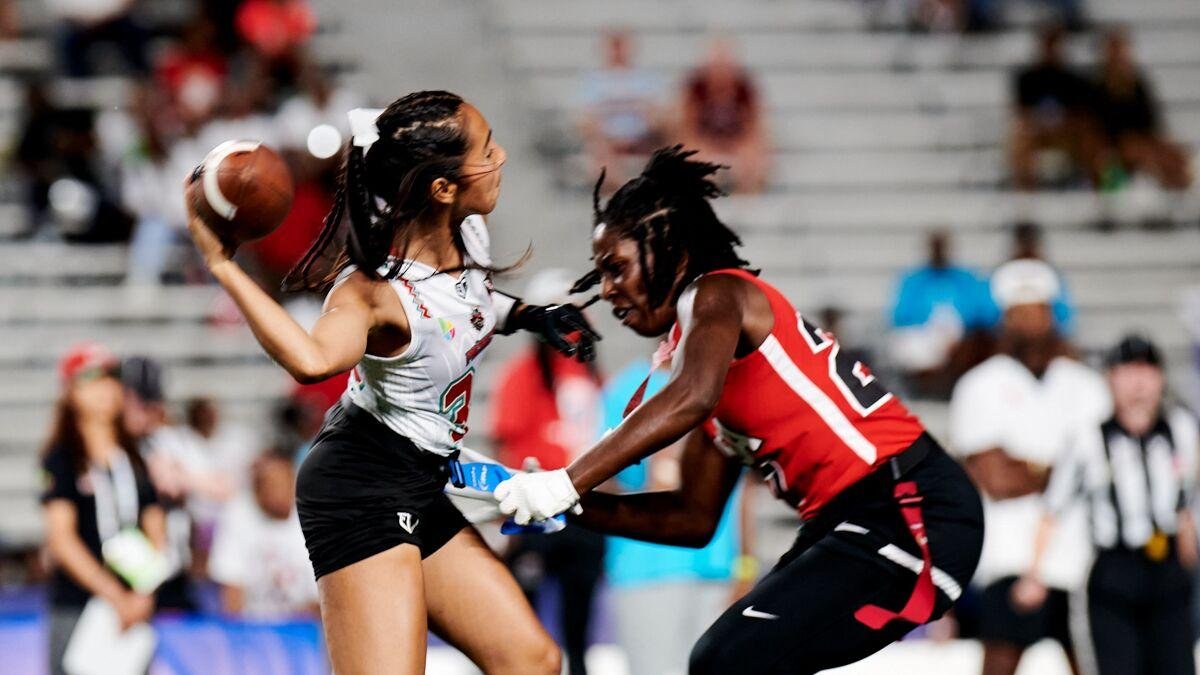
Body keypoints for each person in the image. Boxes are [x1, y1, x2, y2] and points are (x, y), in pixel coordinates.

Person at [495, 147, 985, 674]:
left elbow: (691, 396)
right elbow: (692, 518)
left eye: (616, 267)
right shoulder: (708, 359)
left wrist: (566, 481)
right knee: (737, 661)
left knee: (727, 660)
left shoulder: (714, 293)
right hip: (856, 518)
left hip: (908, 506)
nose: (608, 290)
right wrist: (567, 507)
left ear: (670, 247)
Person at [184, 91, 599, 675]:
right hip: (361, 485)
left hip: (419, 478)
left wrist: (525, 314)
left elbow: (465, 303)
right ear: (442, 189)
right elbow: (309, 360)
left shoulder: (468, 235)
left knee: (531, 660)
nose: (501, 156)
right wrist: (224, 265)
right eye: (486, 151)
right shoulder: (373, 291)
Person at [949, 258, 1111, 675]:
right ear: (1003, 318)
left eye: (1036, 311)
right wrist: (1060, 469)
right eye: (1018, 313)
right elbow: (995, 478)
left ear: (1050, 314)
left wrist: (1026, 465)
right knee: (1000, 662)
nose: (1028, 323)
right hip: (1007, 553)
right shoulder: (979, 385)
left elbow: (1099, 471)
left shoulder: (1085, 385)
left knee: (1092, 663)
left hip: (1080, 556)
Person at [1014, 335, 1199, 675]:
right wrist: (1034, 573)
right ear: (1110, 379)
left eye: (1147, 371)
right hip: (1115, 571)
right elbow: (1052, 509)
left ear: (1160, 378)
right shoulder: (1088, 438)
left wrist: (1188, 555)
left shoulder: (1181, 429)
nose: (1138, 383)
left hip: (1167, 569)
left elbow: (1185, 501)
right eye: (1127, 372)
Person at [601, 357, 756, 675]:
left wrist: (745, 565)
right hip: (646, 567)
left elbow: (742, 490)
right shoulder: (627, 388)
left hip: (716, 570)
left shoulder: (725, 385)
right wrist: (643, 455)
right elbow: (596, 477)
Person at [491, 268, 606, 675]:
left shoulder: (592, 376)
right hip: (536, 513)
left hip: (582, 513)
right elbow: (507, 447)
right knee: (526, 623)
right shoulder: (521, 377)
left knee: (580, 632)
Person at [40, 343, 166, 675]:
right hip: (80, 607)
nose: (105, 390)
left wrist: (143, 594)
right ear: (70, 391)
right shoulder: (63, 458)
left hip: (133, 607)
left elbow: (156, 528)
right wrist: (113, 594)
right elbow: (61, 539)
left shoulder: (135, 456)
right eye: (91, 380)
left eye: (111, 379)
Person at [209, 448, 319, 620]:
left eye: (287, 482)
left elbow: (322, 599)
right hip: (252, 629)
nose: (283, 491)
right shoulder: (238, 515)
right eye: (274, 485)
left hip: (301, 629)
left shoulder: (313, 517)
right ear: (256, 490)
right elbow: (231, 595)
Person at [888, 230, 994, 398]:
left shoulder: (965, 277)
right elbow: (899, 315)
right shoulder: (913, 279)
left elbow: (981, 312)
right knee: (909, 347)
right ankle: (927, 389)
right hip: (924, 336)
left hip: (961, 338)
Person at [1093, 29, 1192, 191]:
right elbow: (1098, 126)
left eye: (1121, 51)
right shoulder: (1097, 87)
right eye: (1114, 51)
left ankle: (1181, 195)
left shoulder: (1138, 85)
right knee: (1137, 152)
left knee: (1175, 154)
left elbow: (1151, 121)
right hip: (1114, 145)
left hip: (1143, 140)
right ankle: (1156, 190)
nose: (1118, 57)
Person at [1010, 25, 1103, 189]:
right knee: (1020, 140)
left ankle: (1098, 197)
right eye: (1048, 44)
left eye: (1055, 44)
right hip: (1038, 135)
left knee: (1092, 139)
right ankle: (1025, 200)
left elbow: (1082, 117)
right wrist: (1042, 125)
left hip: (1066, 135)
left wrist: (1060, 126)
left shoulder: (1073, 80)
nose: (1051, 49)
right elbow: (1022, 115)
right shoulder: (1027, 79)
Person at [578, 29, 669, 192]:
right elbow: (585, 119)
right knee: (600, 155)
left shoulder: (646, 79)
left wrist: (649, 127)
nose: (618, 52)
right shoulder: (593, 81)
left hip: (643, 138)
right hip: (607, 142)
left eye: (621, 46)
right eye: (614, 47)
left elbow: (659, 115)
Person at [678, 40, 769, 194]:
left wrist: (745, 147)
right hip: (705, 140)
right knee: (693, 156)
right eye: (716, 66)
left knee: (753, 155)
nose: (721, 71)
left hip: (736, 140)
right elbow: (688, 126)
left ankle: (748, 203)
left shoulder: (743, 89)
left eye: (725, 66)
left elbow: (752, 125)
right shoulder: (697, 88)